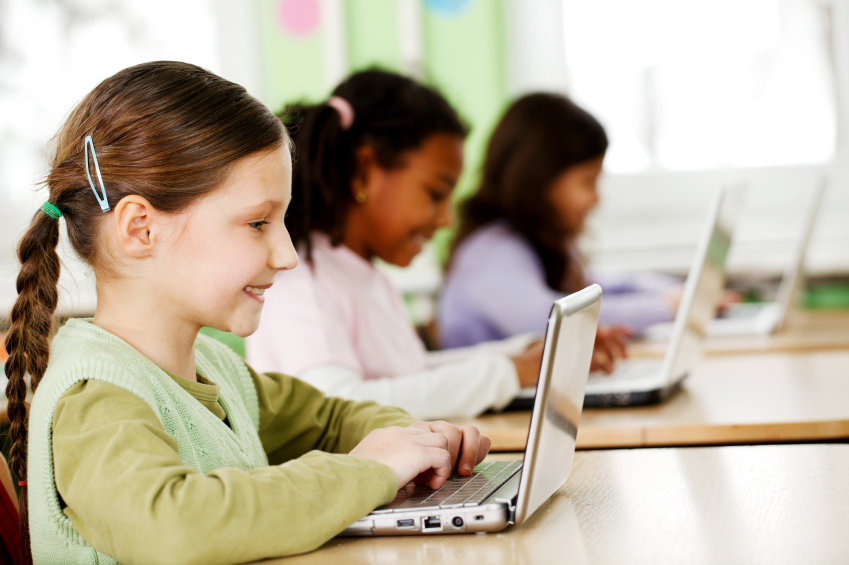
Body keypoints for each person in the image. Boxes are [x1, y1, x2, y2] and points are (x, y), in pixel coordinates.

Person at [2, 62, 491, 565]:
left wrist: (416, 441)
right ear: (140, 229)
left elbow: (331, 419)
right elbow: (174, 527)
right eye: (258, 222)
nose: (288, 255)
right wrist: (371, 471)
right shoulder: (94, 398)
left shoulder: (218, 371)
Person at [246, 70, 543, 421]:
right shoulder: (302, 279)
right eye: (435, 194)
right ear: (364, 170)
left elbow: (410, 377)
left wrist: (520, 354)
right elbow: (340, 406)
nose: (447, 219)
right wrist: (508, 372)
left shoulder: (365, 275)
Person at [438, 93, 681, 350]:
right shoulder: (491, 252)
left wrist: (677, 295)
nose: (596, 198)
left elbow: (602, 286)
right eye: (587, 181)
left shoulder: (536, 242)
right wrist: (664, 307)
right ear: (539, 179)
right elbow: (550, 318)